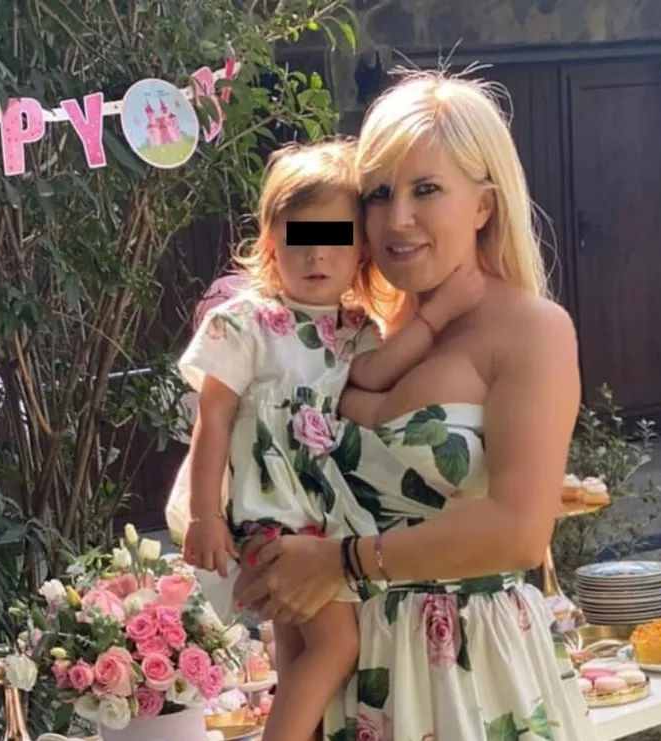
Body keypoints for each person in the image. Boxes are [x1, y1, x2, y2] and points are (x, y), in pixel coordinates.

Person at [233, 70, 595, 740]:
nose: (396, 218)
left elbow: (520, 532)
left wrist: (341, 562)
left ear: (484, 204)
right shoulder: (356, 336)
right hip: (346, 679)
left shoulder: (531, 329)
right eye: (378, 193)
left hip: (466, 679)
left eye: (426, 189)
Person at [169, 138, 481, 741]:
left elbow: (379, 376)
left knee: (297, 647)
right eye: (299, 238)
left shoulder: (357, 329)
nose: (317, 254)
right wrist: (205, 514)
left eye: (335, 237)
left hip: (328, 516)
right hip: (271, 513)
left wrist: (436, 317)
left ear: (361, 248)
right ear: (270, 243)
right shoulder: (245, 323)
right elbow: (213, 418)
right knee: (338, 644)